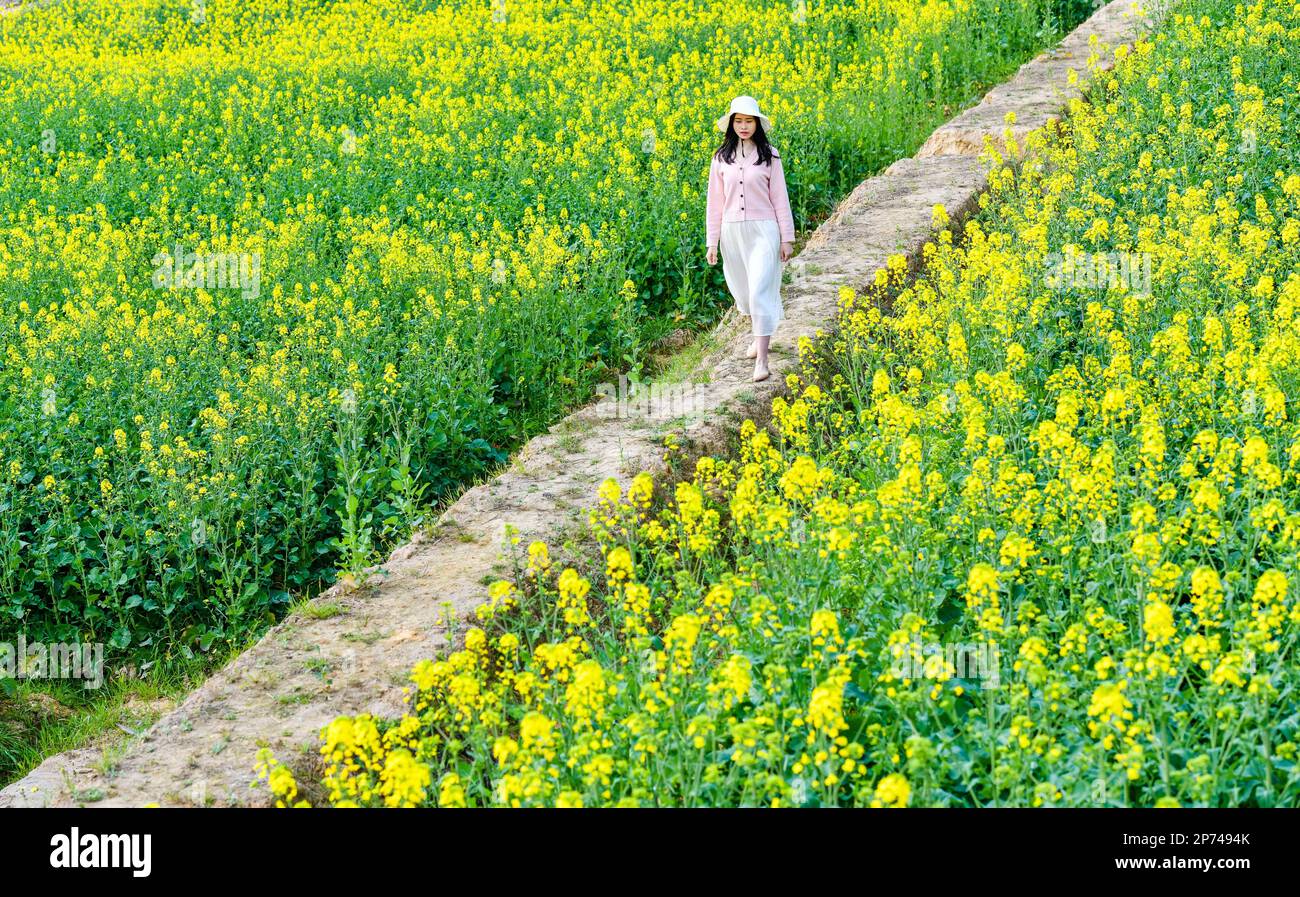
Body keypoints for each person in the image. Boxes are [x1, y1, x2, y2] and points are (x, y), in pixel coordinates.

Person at [704, 95, 795, 382]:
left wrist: (787, 238)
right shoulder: (720, 159)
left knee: (759, 292)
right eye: (739, 121)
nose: (744, 126)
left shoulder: (771, 155)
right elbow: (714, 203)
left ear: (758, 123)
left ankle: (763, 361)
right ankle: (759, 334)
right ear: (732, 124)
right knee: (744, 293)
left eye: (749, 121)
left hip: (764, 230)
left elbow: (780, 198)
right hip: (733, 233)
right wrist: (712, 241)